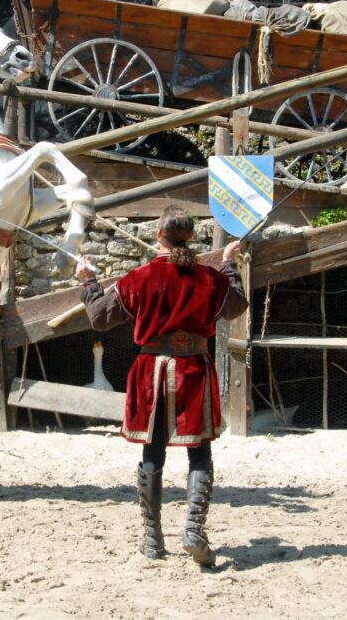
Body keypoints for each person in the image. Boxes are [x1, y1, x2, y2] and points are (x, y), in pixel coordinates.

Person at [75, 205, 247, 567]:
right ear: (190, 237)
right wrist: (229, 264)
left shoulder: (139, 278)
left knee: (153, 453)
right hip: (194, 370)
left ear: (159, 235)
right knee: (198, 451)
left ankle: (152, 539)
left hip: (152, 371)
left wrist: (88, 281)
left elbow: (99, 318)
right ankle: (194, 530)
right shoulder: (210, 279)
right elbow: (236, 306)